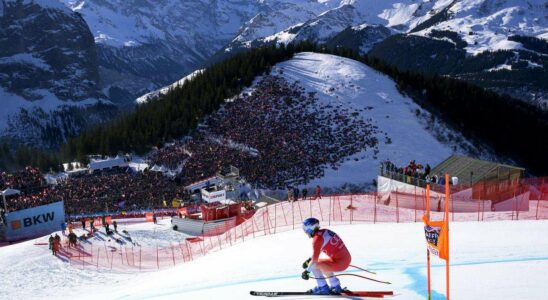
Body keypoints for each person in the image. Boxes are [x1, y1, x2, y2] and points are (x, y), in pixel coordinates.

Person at [301, 217, 351, 295]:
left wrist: (307, 272)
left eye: (305, 229)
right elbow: (318, 251)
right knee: (318, 264)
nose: (305, 232)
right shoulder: (324, 231)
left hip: (340, 262)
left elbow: (314, 261)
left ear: (310, 228)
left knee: (314, 265)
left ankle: (323, 287)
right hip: (343, 259)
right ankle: (335, 285)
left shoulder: (317, 239)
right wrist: (309, 261)